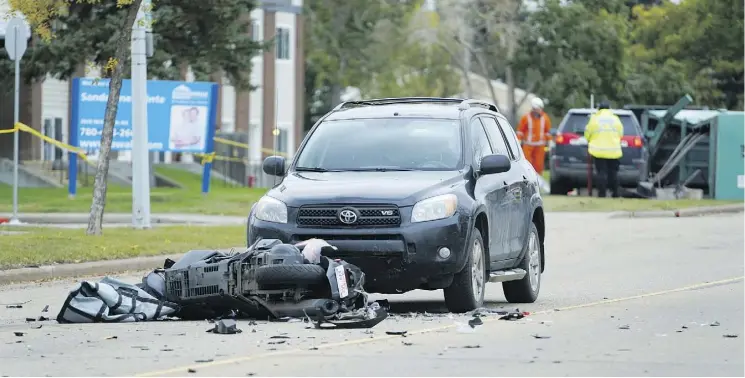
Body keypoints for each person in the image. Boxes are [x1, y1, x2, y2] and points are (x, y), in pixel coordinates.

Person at [584, 101, 624, 198]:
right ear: (609, 108)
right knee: (613, 173)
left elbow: (587, 134)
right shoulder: (615, 119)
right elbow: (621, 134)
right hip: (614, 151)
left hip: (599, 151)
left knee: (601, 173)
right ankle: (615, 193)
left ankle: (602, 194)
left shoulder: (594, 119)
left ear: (599, 109)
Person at [517, 97, 551, 175]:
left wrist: (549, 143)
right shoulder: (526, 118)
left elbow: (547, 132)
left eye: (540, 109)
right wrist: (518, 141)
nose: (539, 111)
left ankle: (538, 182)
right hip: (528, 146)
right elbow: (520, 131)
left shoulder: (545, 118)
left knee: (539, 166)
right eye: (537, 109)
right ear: (533, 108)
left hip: (540, 147)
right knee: (526, 165)